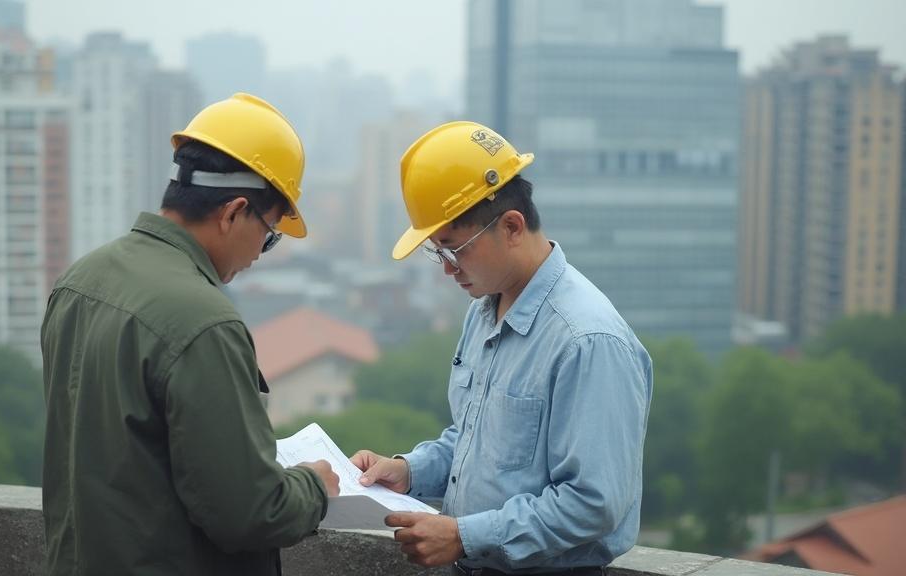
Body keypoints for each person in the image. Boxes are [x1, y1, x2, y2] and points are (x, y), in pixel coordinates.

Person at [41, 93, 339, 576]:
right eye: (270, 233)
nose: (263, 253)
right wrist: (312, 486)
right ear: (233, 212)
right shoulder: (205, 322)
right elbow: (247, 512)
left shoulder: (80, 280)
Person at [351, 122, 653, 575]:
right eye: (439, 254)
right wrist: (409, 470)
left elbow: (593, 503)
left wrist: (465, 536)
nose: (448, 271)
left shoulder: (587, 341)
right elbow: (480, 442)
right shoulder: (486, 308)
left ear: (512, 226)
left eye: (456, 251)